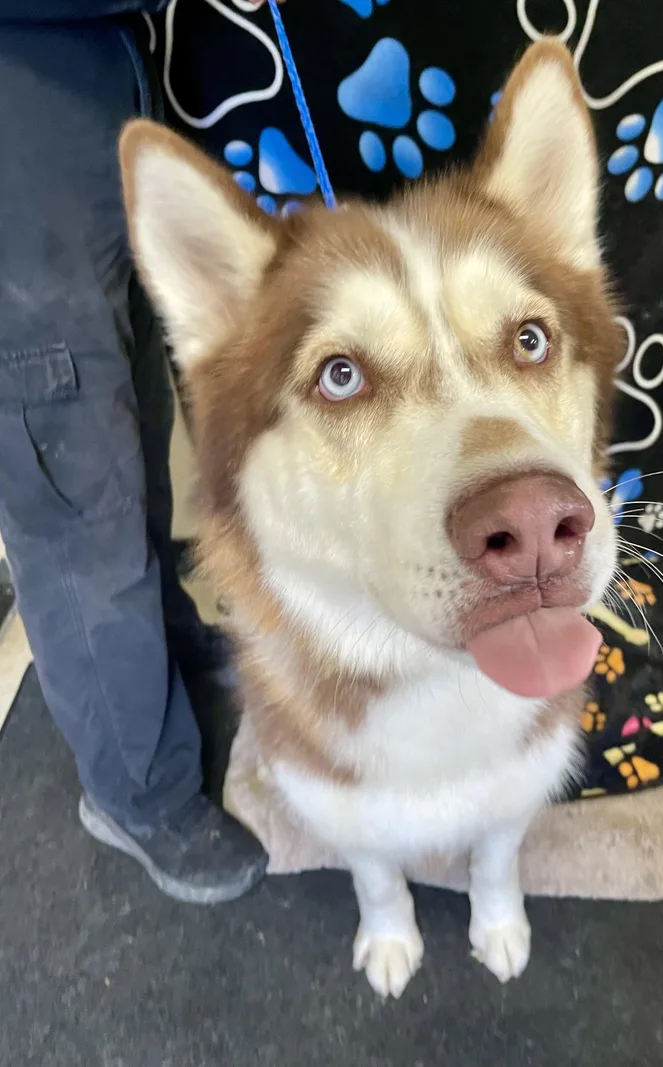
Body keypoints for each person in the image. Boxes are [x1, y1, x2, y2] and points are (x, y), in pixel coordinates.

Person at [0, 1, 271, 903]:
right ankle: (137, 794)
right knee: (72, 474)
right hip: (19, 85)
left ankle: (159, 650)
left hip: (101, 57)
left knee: (136, 413)